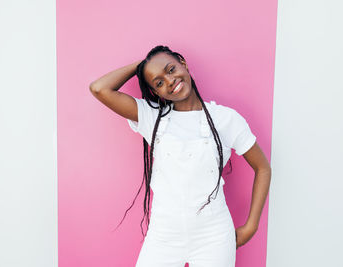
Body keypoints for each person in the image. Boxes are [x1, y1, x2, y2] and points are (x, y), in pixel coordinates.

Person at [89, 45, 272, 267]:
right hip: (163, 237)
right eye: (158, 82)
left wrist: (251, 227)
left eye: (170, 69)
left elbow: (263, 168)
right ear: (156, 92)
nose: (169, 81)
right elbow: (100, 89)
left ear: (183, 64)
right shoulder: (151, 116)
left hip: (213, 236)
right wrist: (141, 66)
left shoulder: (226, 119)